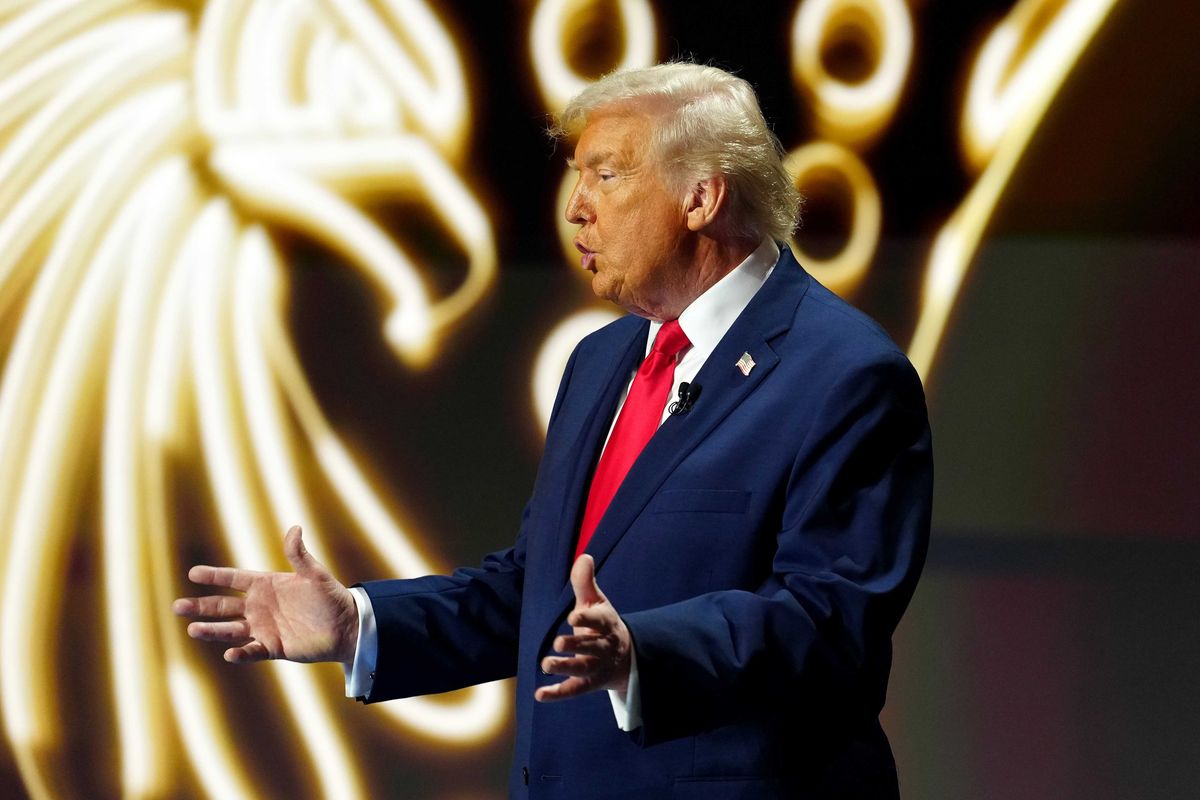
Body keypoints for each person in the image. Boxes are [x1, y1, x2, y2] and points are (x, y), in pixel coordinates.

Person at [174, 62, 932, 799]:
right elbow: (532, 589)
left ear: (701, 197)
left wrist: (644, 652)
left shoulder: (845, 374)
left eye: (606, 175)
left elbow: (830, 621)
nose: (575, 206)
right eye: (577, 174)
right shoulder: (600, 361)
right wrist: (361, 623)